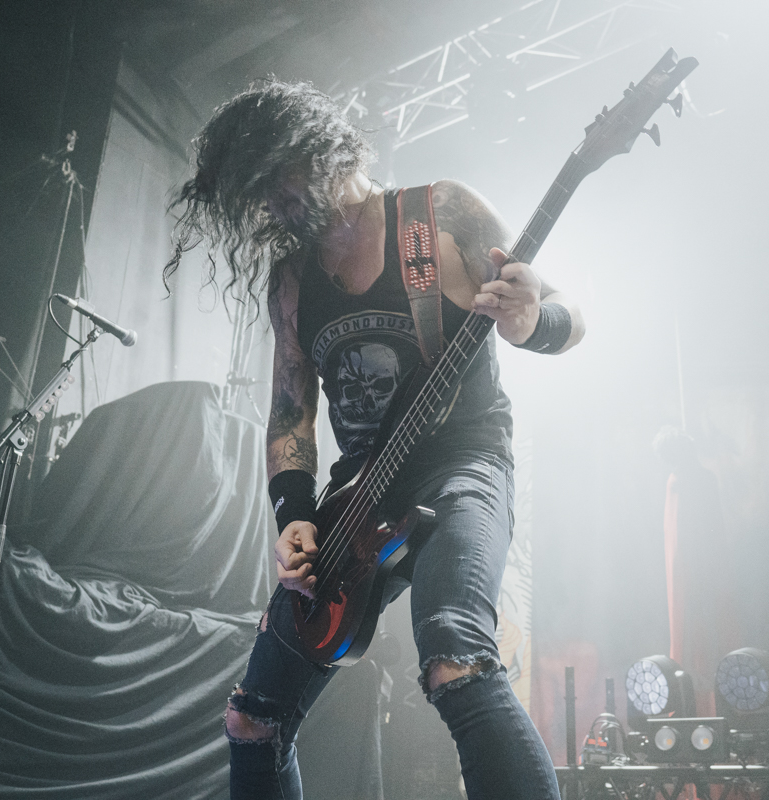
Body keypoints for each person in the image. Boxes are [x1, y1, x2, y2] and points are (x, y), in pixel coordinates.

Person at [165, 79, 585, 800]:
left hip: (461, 464)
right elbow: (290, 413)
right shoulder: (293, 279)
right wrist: (293, 516)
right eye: (259, 191)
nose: (274, 201)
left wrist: (529, 323)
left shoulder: (439, 213)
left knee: (455, 654)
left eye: (279, 175)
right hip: (359, 495)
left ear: (317, 147)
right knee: (252, 720)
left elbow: (569, 316)